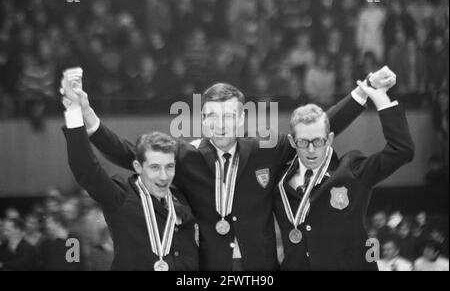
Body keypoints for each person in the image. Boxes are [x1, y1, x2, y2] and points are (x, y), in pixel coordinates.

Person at [61, 67, 394, 270]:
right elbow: (129, 152)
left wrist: (363, 91)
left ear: (242, 119)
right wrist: (90, 120)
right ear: (203, 119)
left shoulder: (268, 149)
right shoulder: (185, 154)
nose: (221, 125)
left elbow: (320, 126)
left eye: (229, 117)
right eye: (213, 117)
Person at [274, 79, 414, 270]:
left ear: (330, 139)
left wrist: (382, 100)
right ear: (292, 141)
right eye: (303, 142)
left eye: (318, 141)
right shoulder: (279, 181)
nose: (312, 150)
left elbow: (402, 151)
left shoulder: (352, 171)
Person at [62, 93, 199, 271]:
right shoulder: (121, 195)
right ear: (138, 166)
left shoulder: (184, 198)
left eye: (169, 167)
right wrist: (75, 114)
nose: (164, 176)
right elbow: (86, 169)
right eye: (155, 167)